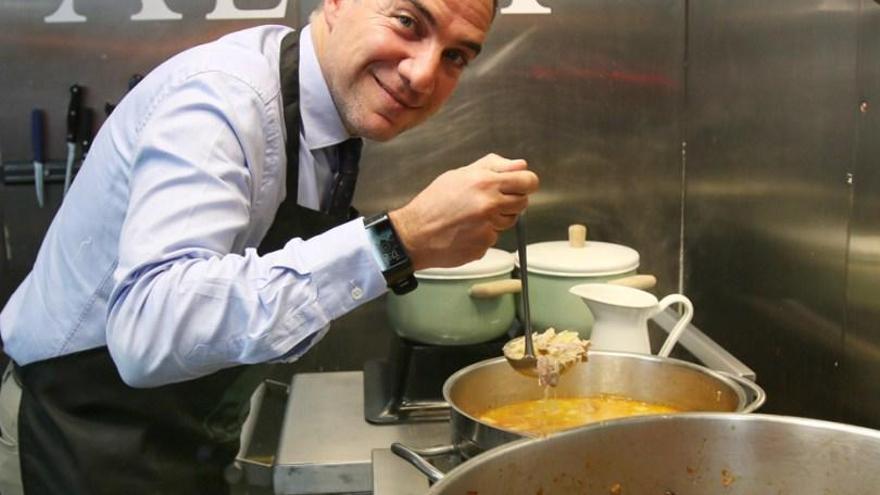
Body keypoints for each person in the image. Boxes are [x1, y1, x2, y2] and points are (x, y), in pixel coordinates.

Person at [0, 0, 538, 493]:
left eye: (456, 57)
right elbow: (149, 329)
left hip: (175, 438)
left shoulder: (325, 113)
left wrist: (405, 247)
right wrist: (396, 242)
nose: (423, 74)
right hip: (73, 432)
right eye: (406, 22)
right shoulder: (221, 98)